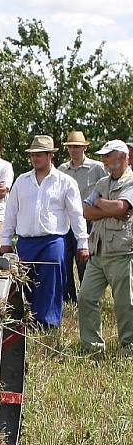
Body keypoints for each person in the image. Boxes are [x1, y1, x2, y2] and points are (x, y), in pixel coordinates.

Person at [0, 135, 88, 328]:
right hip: (25, 241)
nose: (35, 158)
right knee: (25, 282)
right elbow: (11, 213)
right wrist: (5, 240)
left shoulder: (65, 182)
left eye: (39, 155)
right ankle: (26, 321)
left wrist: (82, 243)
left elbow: (76, 214)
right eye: (33, 155)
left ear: (50, 156)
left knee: (50, 281)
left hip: (53, 240)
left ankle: (47, 323)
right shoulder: (21, 181)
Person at [78, 139, 133, 357]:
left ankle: (128, 348)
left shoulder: (131, 181)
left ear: (123, 156)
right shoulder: (102, 182)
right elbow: (85, 211)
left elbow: (122, 207)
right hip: (98, 251)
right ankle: (92, 348)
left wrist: (99, 203)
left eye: (108, 155)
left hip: (123, 251)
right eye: (103, 156)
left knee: (126, 304)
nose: (104, 160)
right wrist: (108, 207)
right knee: (86, 297)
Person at [57, 131, 105, 302]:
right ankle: (69, 298)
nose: (74, 150)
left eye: (77, 146)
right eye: (70, 147)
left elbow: (106, 189)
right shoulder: (62, 169)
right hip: (68, 221)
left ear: (85, 147)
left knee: (85, 260)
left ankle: (88, 297)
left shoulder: (97, 167)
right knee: (65, 259)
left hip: (90, 221)